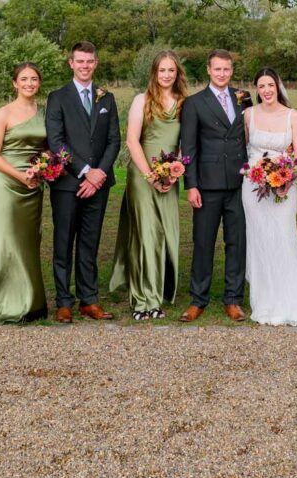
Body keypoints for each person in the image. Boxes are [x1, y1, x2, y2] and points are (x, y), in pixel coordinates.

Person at [45, 41, 121, 323]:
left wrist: (98, 173)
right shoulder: (57, 97)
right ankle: (64, 301)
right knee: (64, 241)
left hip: (99, 183)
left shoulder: (107, 98)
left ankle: (89, 300)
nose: (85, 66)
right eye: (80, 61)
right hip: (68, 183)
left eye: (90, 61)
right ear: (71, 63)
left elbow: (114, 140)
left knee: (90, 242)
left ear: (96, 63)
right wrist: (84, 170)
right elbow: (56, 142)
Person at [109, 51, 188, 320]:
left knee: (166, 234)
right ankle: (144, 300)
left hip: (170, 176)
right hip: (143, 176)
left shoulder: (184, 103)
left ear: (177, 74)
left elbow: (183, 145)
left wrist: (174, 172)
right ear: (154, 72)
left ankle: (159, 290)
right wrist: (151, 175)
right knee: (146, 235)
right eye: (162, 70)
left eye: (171, 71)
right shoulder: (141, 101)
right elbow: (132, 141)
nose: (167, 75)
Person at [179, 49, 252, 323]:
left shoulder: (243, 98)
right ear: (208, 70)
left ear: (231, 70)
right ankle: (198, 299)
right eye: (217, 69)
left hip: (238, 183)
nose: (222, 74)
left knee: (236, 243)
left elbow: (248, 138)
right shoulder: (195, 103)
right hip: (206, 185)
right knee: (203, 243)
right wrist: (191, 185)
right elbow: (189, 147)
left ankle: (233, 299)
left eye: (227, 69)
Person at [242, 67, 297, 326]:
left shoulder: (292, 116)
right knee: (260, 239)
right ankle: (264, 301)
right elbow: (246, 149)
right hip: (253, 186)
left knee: (283, 237)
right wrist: (258, 174)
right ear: (256, 89)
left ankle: (291, 300)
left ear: (278, 86)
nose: (266, 90)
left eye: (270, 85)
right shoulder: (248, 114)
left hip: (284, 186)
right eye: (261, 86)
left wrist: (287, 179)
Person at [0, 62, 48, 324]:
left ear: (39, 83)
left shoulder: (43, 112)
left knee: (29, 242)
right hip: (7, 186)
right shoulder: (3, 113)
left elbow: (46, 148)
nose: (29, 83)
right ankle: (5, 305)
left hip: (33, 187)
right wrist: (20, 175)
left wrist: (43, 167)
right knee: (7, 242)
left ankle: (32, 303)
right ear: (14, 83)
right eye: (24, 79)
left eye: (34, 79)